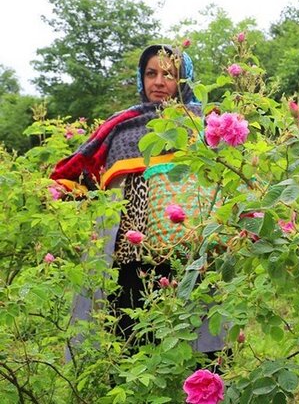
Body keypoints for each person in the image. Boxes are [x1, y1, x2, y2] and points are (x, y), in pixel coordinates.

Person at [52, 44, 223, 354]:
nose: (158, 82)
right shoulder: (123, 128)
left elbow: (226, 182)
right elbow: (89, 177)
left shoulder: (206, 126)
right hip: (134, 262)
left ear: (184, 79)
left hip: (193, 257)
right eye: (150, 73)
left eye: (169, 74)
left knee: (201, 349)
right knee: (134, 347)